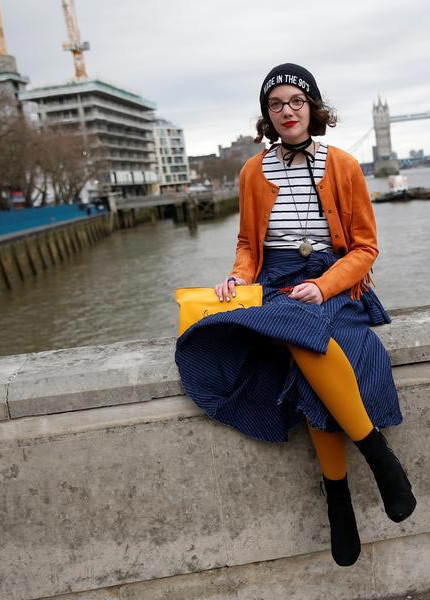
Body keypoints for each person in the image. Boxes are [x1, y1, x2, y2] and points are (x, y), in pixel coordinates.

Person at [175, 64, 415, 567]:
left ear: (313, 108)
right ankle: (377, 458)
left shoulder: (344, 165)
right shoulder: (251, 171)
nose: (287, 111)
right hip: (277, 280)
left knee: (311, 359)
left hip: (332, 277)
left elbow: (366, 247)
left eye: (296, 102)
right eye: (277, 104)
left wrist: (324, 284)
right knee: (298, 338)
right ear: (267, 114)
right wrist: (240, 278)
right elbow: (247, 244)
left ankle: (341, 499)